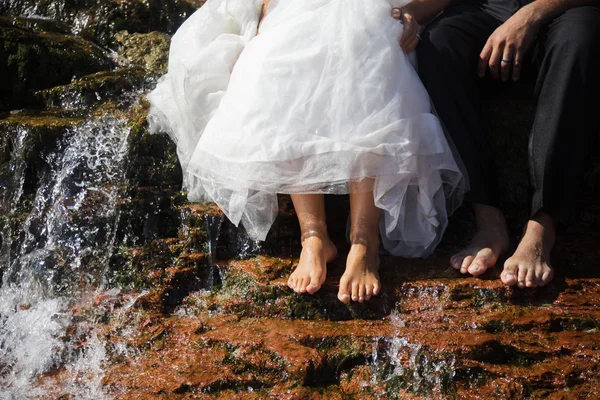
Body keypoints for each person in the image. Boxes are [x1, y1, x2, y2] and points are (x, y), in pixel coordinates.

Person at [147, 0, 465, 303]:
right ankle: (313, 236)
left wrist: (412, 12)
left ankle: (364, 240)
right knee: (278, 58)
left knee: (365, 43)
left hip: (379, 12)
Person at [404, 0, 600, 287]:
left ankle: (542, 227)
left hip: (569, 8)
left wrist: (530, 15)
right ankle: (488, 221)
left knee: (579, 41)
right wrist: (405, 16)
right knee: (438, 44)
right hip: (490, 7)